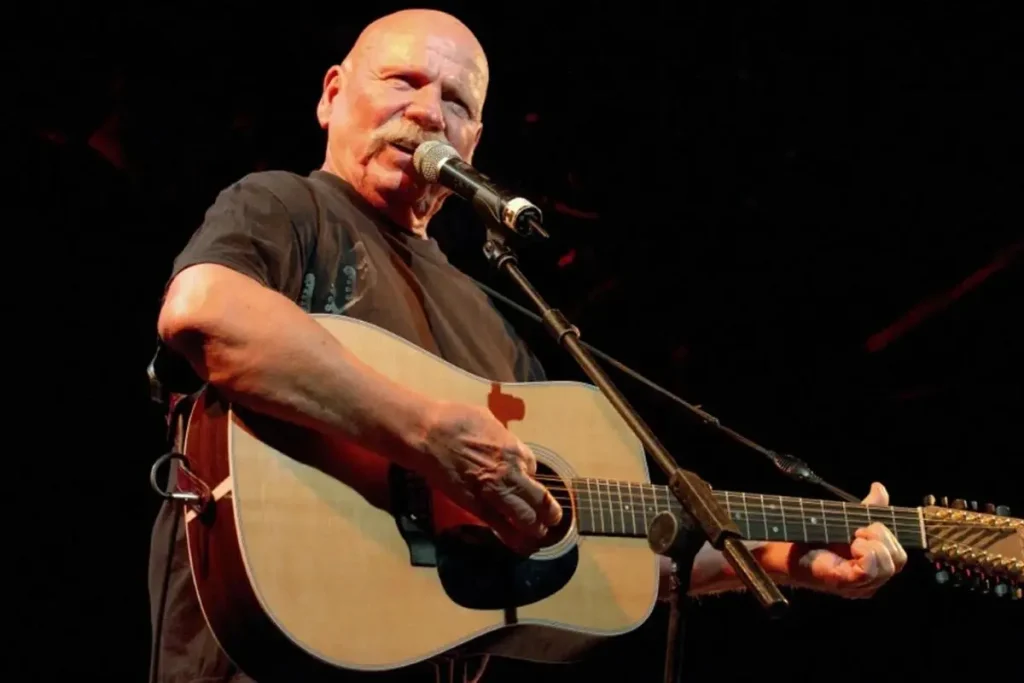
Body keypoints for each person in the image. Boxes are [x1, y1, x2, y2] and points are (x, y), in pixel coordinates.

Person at [148, 9, 908, 683]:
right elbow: (205, 309)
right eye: (403, 81)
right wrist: (424, 434)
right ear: (332, 93)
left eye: (456, 102)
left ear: (475, 138)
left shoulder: (493, 316)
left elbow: (601, 558)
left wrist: (784, 561)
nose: (427, 113)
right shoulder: (287, 204)